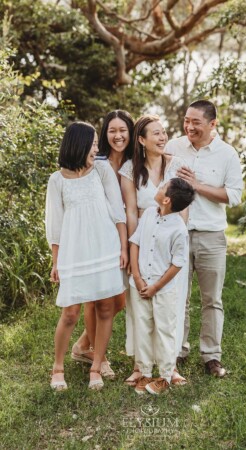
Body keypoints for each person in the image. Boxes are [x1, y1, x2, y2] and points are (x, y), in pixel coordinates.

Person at [46, 121, 127, 390]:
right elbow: (55, 226)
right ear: (78, 144)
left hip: (105, 247)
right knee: (70, 311)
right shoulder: (57, 180)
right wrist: (56, 262)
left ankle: (96, 367)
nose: (96, 149)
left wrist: (123, 248)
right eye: (92, 144)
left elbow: (117, 211)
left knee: (105, 307)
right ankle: (58, 369)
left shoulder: (102, 170)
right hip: (74, 251)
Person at [165, 99, 243, 377]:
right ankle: (176, 351)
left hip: (211, 236)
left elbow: (233, 196)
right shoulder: (172, 147)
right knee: (177, 297)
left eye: (196, 122)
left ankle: (211, 356)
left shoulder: (227, 154)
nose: (189, 126)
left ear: (213, 124)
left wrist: (197, 185)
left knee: (212, 299)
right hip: (176, 234)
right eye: (187, 120)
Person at [119, 114, 189, 386]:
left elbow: (183, 206)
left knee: (169, 309)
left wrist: (173, 241)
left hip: (170, 243)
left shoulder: (178, 165)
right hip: (142, 240)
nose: (162, 138)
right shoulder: (130, 170)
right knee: (141, 309)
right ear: (141, 140)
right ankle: (141, 365)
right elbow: (131, 212)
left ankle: (168, 367)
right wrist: (132, 250)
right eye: (156, 133)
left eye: (164, 133)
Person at [71, 111, 134, 379]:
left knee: (119, 300)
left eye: (123, 130)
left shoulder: (136, 163)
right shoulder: (94, 162)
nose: (118, 136)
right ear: (104, 133)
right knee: (96, 299)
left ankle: (84, 344)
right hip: (97, 237)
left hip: (127, 233)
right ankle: (99, 354)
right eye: (112, 131)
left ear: (131, 133)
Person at [130, 178, 195, 395]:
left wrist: (156, 286)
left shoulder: (179, 229)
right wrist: (137, 277)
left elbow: (178, 263)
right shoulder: (148, 213)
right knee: (143, 327)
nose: (157, 188)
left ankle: (165, 376)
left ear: (166, 200)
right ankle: (145, 371)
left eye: (161, 187)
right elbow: (135, 242)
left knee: (165, 329)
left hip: (163, 289)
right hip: (140, 284)